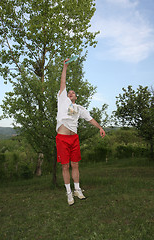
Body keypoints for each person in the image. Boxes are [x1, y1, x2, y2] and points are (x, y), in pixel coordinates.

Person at [56, 59, 105, 205]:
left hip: (74, 139)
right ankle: (69, 193)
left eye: (73, 93)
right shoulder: (62, 101)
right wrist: (65, 67)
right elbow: (63, 83)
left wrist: (100, 128)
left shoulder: (79, 108)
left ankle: (77, 189)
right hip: (62, 138)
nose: (70, 93)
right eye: (69, 92)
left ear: (76, 97)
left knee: (75, 165)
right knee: (65, 166)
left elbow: (90, 119)